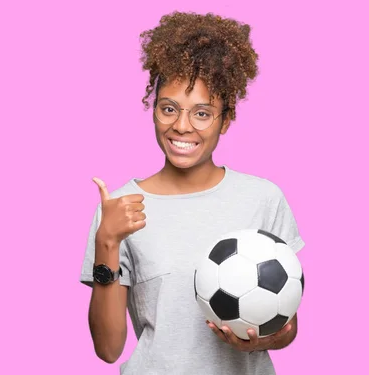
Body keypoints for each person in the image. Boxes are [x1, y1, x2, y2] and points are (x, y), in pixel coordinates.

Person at [79, 11, 305, 375]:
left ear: (226, 119)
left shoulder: (264, 199)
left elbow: (287, 324)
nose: (181, 126)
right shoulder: (120, 207)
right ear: (154, 110)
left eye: (202, 113)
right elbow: (107, 349)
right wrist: (107, 241)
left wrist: (265, 340)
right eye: (169, 109)